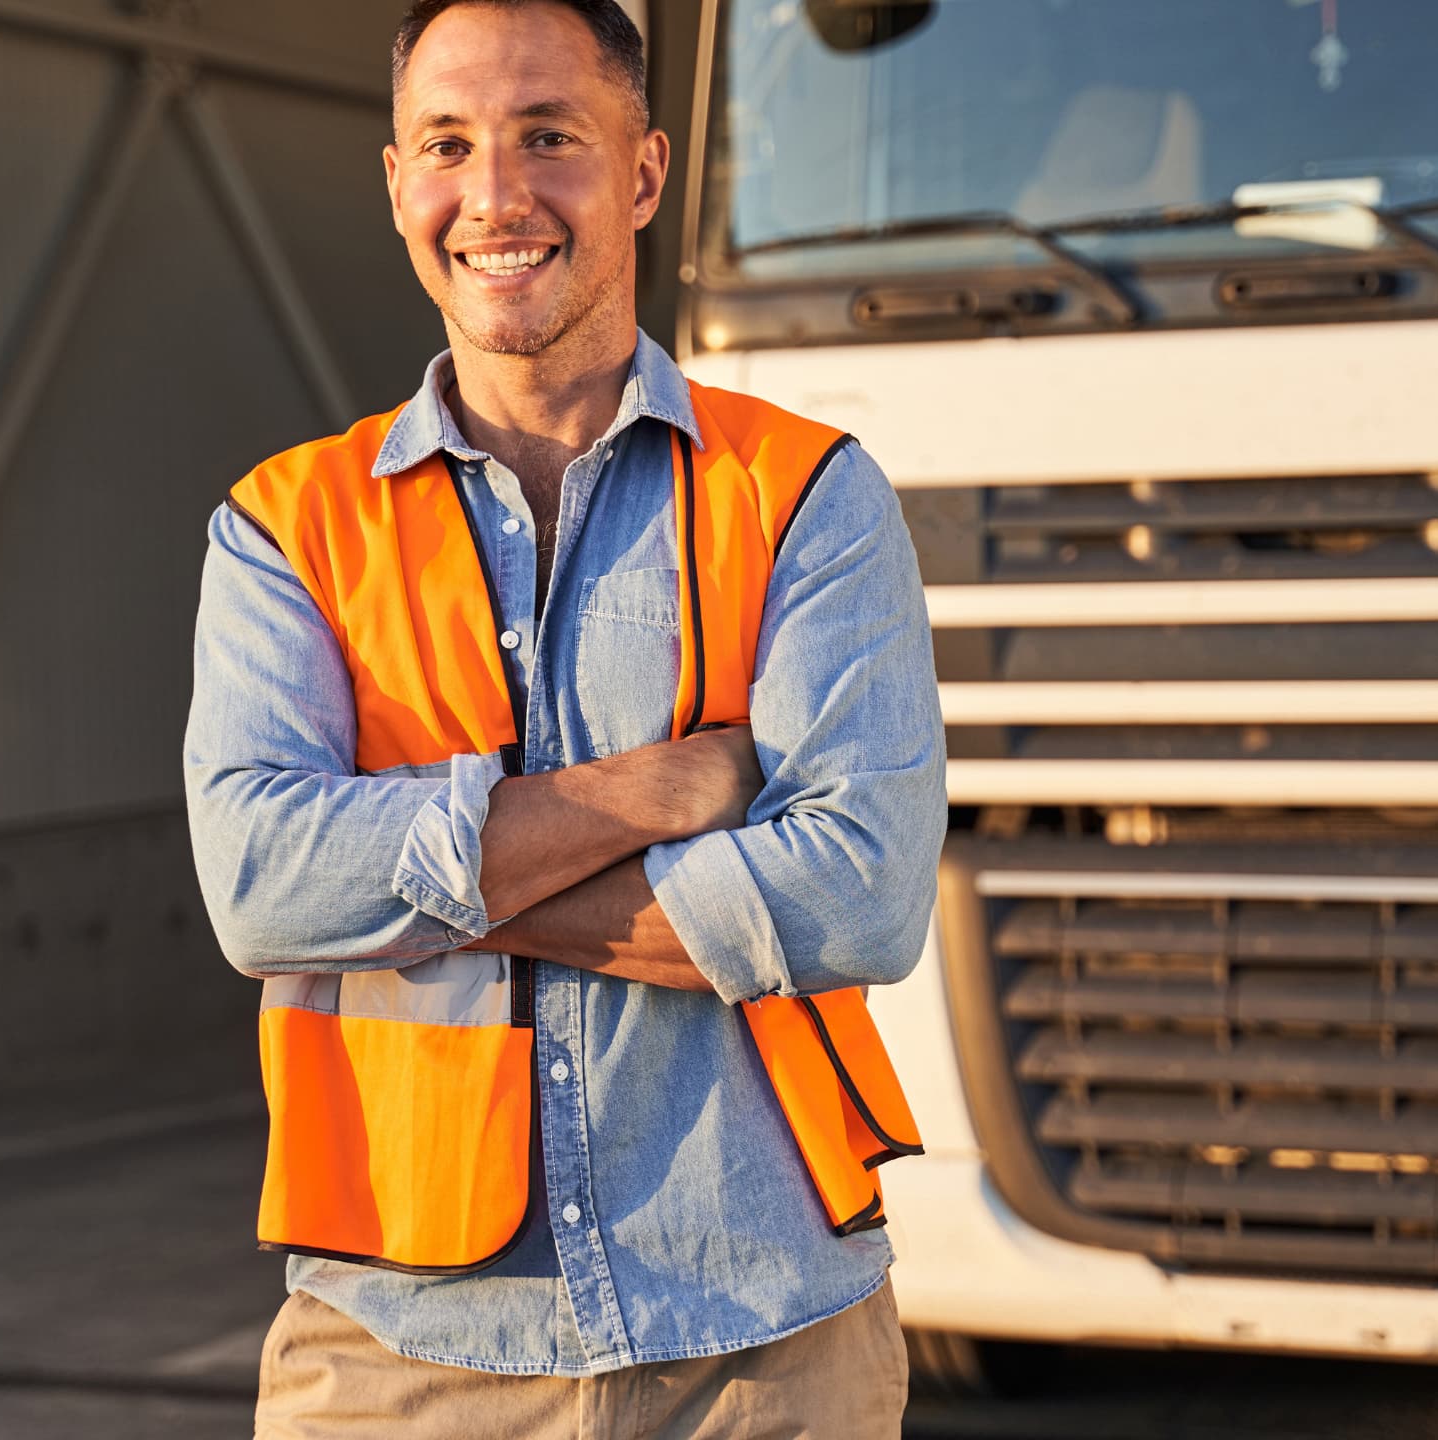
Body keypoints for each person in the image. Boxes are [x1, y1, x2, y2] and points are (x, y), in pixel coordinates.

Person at [182, 1, 946, 1433]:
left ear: (645, 175)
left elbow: (861, 896)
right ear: (400, 184)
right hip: (397, 1351)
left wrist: (422, 882)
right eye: (450, 145)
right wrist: (649, 796)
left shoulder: (807, 495)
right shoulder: (286, 531)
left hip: (766, 1352)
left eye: (551, 138)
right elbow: (259, 886)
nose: (497, 196)